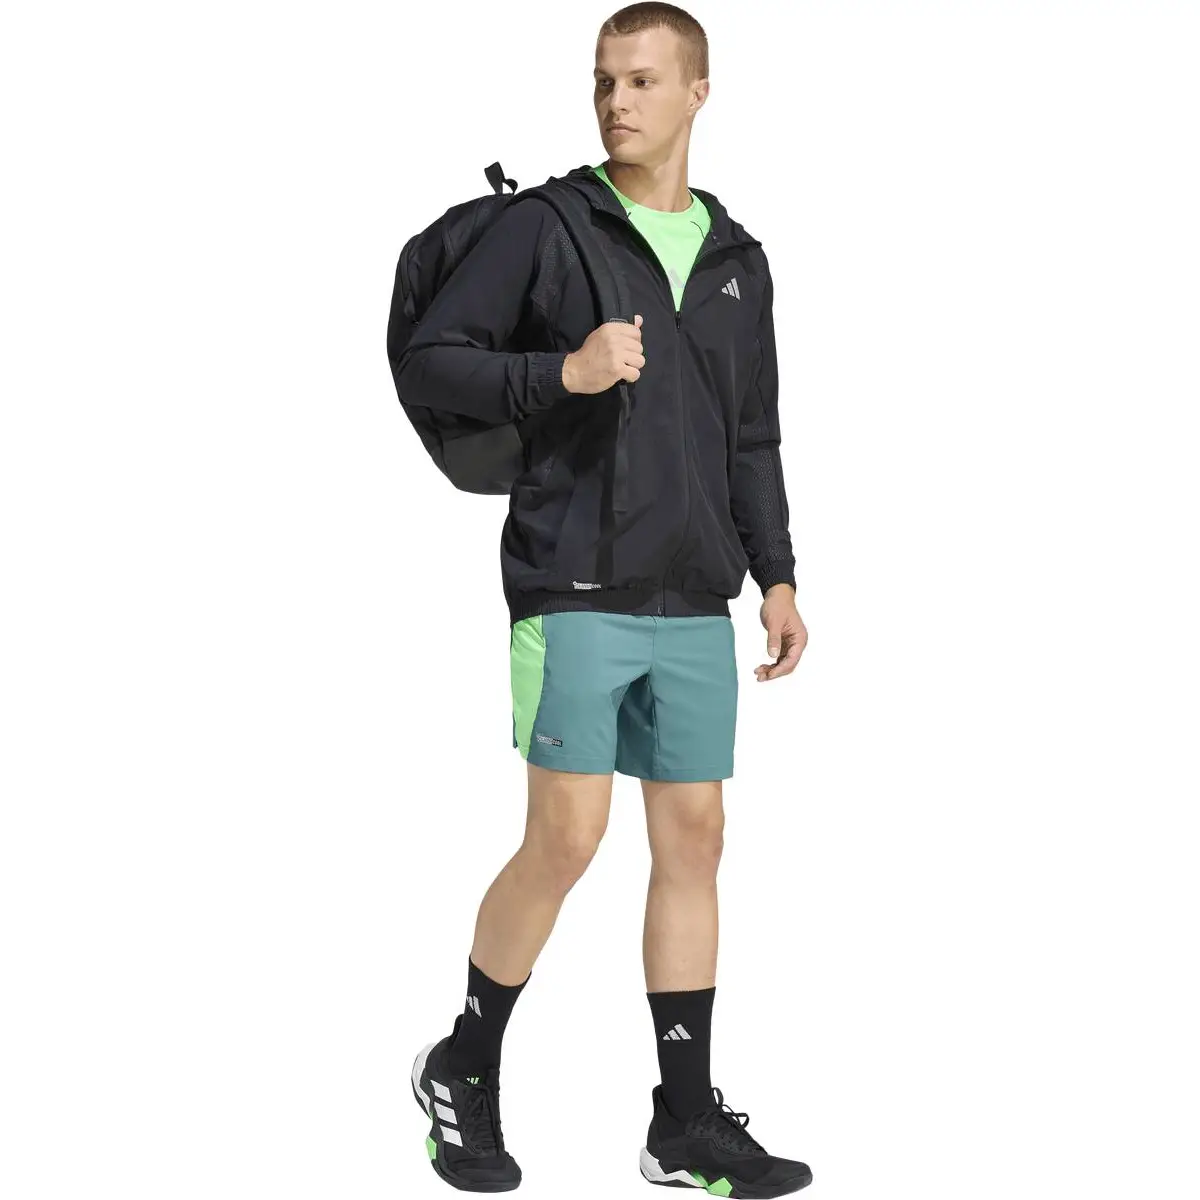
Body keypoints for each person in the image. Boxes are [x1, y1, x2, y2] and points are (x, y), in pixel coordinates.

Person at [397, 3, 811, 1194]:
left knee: (696, 839)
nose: (616, 101)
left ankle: (684, 1121)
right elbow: (434, 358)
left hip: (695, 592)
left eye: (641, 80)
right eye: (603, 80)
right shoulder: (549, 225)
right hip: (573, 576)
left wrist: (778, 573)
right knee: (568, 837)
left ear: (697, 94)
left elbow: (751, 434)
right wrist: (562, 372)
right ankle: (464, 1065)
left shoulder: (737, 260)